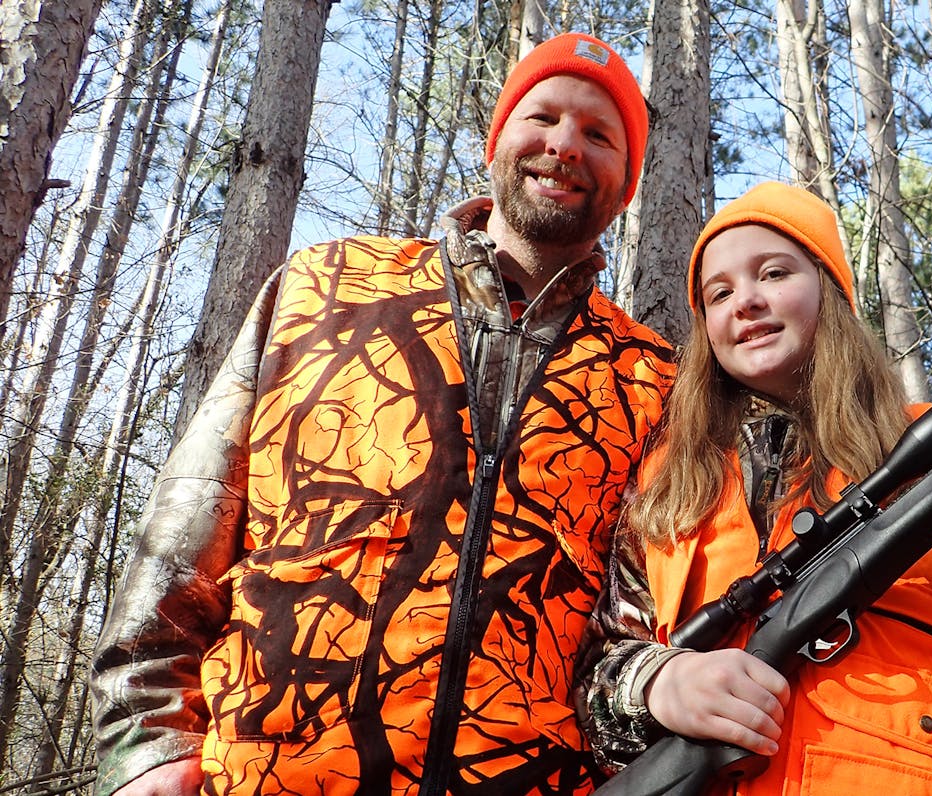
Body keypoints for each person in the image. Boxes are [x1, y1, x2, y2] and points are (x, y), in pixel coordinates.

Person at [89, 32, 676, 796]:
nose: (565, 144)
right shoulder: (326, 285)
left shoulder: (651, 377)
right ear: (499, 140)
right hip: (271, 775)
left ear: (626, 182)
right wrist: (148, 741)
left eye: (599, 134)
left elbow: (635, 625)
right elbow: (192, 515)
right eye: (545, 116)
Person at [575, 182, 932, 794]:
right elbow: (598, 679)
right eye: (719, 293)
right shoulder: (667, 488)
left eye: (773, 273)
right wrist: (659, 686)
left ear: (830, 291)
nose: (745, 301)